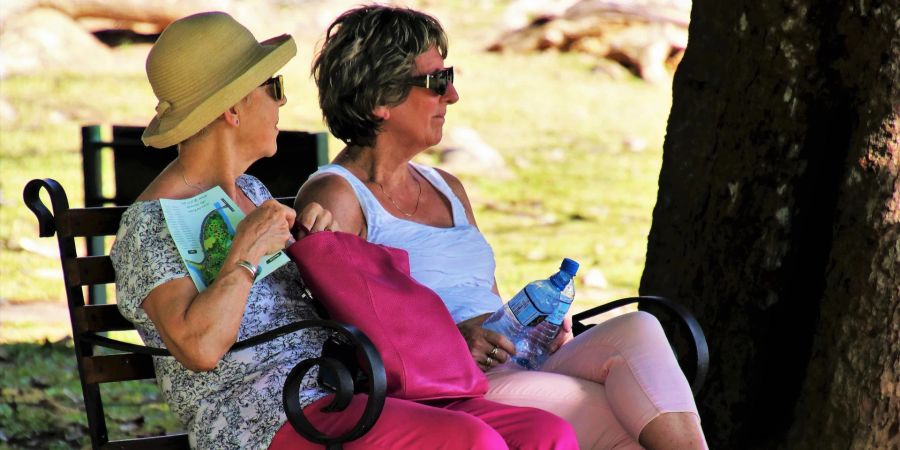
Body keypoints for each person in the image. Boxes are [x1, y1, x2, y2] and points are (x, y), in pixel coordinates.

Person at [111, 11, 576, 450]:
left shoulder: (250, 191)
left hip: (342, 388)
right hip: (263, 418)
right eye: (272, 87)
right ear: (234, 108)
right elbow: (199, 348)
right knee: (472, 444)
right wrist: (245, 256)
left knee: (543, 433)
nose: (282, 101)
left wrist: (321, 247)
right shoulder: (150, 224)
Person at [295, 5, 709, 450]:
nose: (452, 95)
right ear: (381, 98)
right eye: (437, 81)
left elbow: (483, 293)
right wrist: (454, 340)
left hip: (509, 361)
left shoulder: (444, 185)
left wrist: (534, 325)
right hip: (447, 390)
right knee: (608, 409)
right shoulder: (338, 196)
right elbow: (349, 329)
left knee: (640, 329)